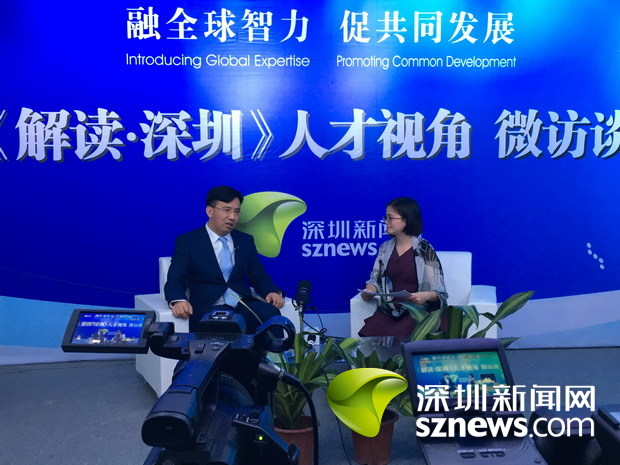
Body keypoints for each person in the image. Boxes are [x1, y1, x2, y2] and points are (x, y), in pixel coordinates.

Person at [164, 185, 285, 332]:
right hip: (208, 307)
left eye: (236, 211)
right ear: (210, 211)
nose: (232, 217)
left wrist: (271, 291)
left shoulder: (245, 241)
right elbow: (176, 278)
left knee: (271, 315)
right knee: (227, 325)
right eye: (226, 210)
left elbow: (258, 275)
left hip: (242, 304)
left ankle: (271, 349)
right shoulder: (188, 242)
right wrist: (178, 300)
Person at [358, 197, 448, 337]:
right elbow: (375, 279)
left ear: (406, 220)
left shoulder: (425, 250)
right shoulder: (385, 248)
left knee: (400, 335)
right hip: (391, 311)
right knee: (369, 335)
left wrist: (424, 296)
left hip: (418, 312)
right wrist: (369, 290)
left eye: (390, 218)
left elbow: (440, 292)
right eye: (386, 217)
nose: (386, 222)